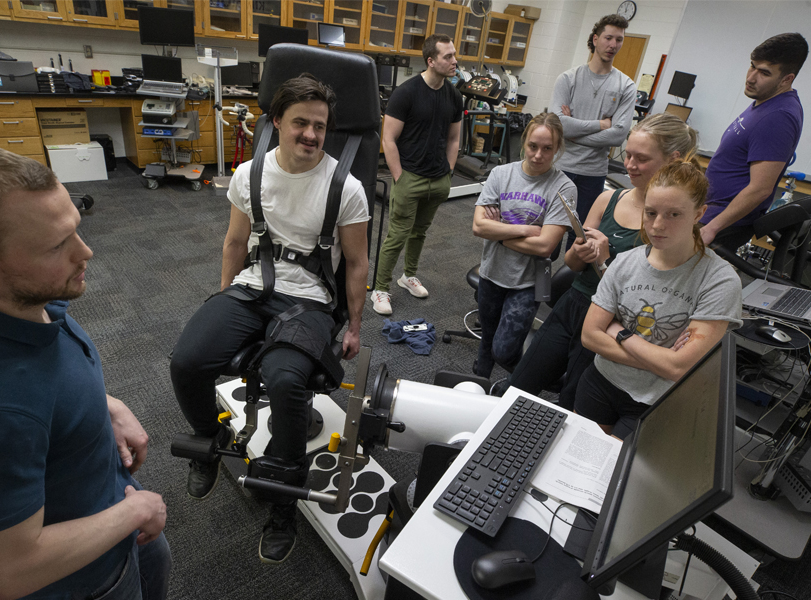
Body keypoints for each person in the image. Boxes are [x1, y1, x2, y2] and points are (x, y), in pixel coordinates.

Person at [0, 142, 170, 600]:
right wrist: (135, 512)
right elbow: (5, 575)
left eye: (75, 229)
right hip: (88, 581)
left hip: (110, 512)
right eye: (56, 246)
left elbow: (42, 380)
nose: (85, 252)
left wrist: (102, 406)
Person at [169, 74, 369, 564]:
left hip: (312, 300)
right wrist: (221, 300)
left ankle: (282, 502)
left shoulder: (347, 188)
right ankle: (208, 439)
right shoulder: (248, 175)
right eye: (300, 122)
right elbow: (235, 244)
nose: (311, 135)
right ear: (276, 121)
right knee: (187, 360)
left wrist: (356, 327)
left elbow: (359, 264)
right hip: (250, 288)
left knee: (285, 381)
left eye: (320, 126)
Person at [507, 113, 698, 409]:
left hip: (611, 322)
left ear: (673, 160)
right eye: (628, 155)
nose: (630, 165)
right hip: (575, 303)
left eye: (641, 159)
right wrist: (581, 254)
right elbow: (571, 263)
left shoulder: (668, 225)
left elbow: (650, 295)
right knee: (520, 385)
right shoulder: (608, 200)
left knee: (571, 404)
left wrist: (608, 263)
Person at [576, 161, 743, 438]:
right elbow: (590, 337)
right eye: (650, 213)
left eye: (674, 214)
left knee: (614, 476)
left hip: (653, 401)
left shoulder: (719, 281)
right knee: (576, 463)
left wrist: (620, 332)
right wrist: (661, 360)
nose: (657, 225)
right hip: (600, 382)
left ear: (699, 214)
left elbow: (679, 368)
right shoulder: (625, 262)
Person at [471, 112, 576, 382]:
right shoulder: (501, 174)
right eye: (533, 146)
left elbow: (545, 246)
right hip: (492, 271)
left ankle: (525, 382)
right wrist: (527, 230)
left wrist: (500, 232)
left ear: (558, 148)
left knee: (504, 351)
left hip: (532, 281)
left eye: (547, 148)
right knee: (487, 344)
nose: (538, 154)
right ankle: (480, 386)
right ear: (524, 143)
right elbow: (479, 227)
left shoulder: (564, 187)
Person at [370, 33, 463, 316]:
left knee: (420, 233)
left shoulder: (454, 96)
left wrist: (447, 173)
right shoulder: (406, 92)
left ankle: (408, 276)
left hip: (438, 179)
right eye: (448, 56)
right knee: (397, 234)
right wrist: (399, 177)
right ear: (431, 60)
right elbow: (388, 139)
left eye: (454, 55)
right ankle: (381, 288)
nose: (454, 61)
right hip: (409, 176)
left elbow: (454, 140)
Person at [700, 32, 807, 251]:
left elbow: (760, 189)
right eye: (752, 66)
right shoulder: (765, 101)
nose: (751, 77)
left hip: (721, 224)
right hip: (708, 212)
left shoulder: (779, 116)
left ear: (787, 79)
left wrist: (711, 228)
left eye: (764, 73)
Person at [550, 13, 637, 227]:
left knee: (580, 232)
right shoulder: (568, 79)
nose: (613, 44)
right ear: (595, 39)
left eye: (619, 39)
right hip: (561, 166)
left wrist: (573, 133)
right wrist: (600, 125)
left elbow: (617, 135)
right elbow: (558, 125)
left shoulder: (626, 86)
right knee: (549, 224)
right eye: (608, 38)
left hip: (593, 173)